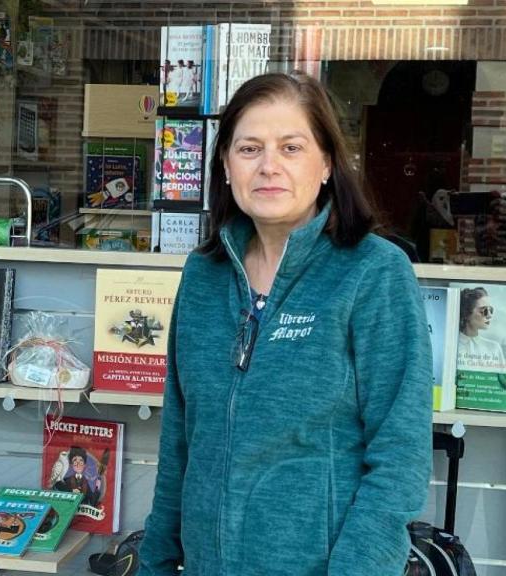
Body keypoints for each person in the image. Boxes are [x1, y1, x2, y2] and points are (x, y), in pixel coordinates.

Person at [138, 72, 432, 576]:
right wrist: (155, 563)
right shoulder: (203, 277)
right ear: (226, 167)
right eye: (249, 148)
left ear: (326, 165)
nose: (268, 166)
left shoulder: (374, 273)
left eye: (291, 147)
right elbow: (181, 444)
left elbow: (399, 461)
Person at [458, 287, 506, 370]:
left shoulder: (494, 348)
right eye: (484, 310)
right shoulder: (451, 345)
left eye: (490, 310)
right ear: (466, 314)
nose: (489, 315)